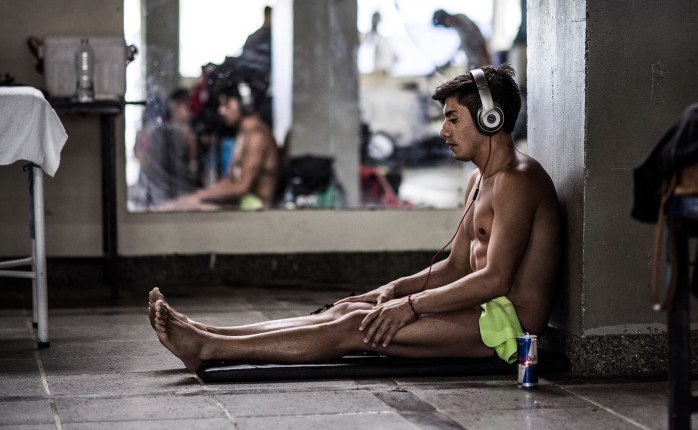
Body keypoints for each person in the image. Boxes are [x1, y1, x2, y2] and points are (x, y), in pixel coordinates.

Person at [148, 63, 561, 372]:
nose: (443, 131)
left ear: (492, 119)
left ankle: (208, 350)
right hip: (482, 310)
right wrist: (390, 291)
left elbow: (495, 279)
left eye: (453, 119)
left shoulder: (516, 182)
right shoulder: (480, 180)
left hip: (508, 329)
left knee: (356, 327)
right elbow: (455, 266)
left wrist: (411, 306)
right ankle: (210, 334)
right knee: (345, 310)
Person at [153, 82, 280, 211]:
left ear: (239, 104)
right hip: (243, 205)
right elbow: (231, 180)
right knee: (177, 205)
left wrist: (197, 199)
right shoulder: (244, 133)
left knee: (184, 208)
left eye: (225, 104)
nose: (221, 110)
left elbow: (242, 187)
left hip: (257, 210)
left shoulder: (257, 136)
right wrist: (196, 196)